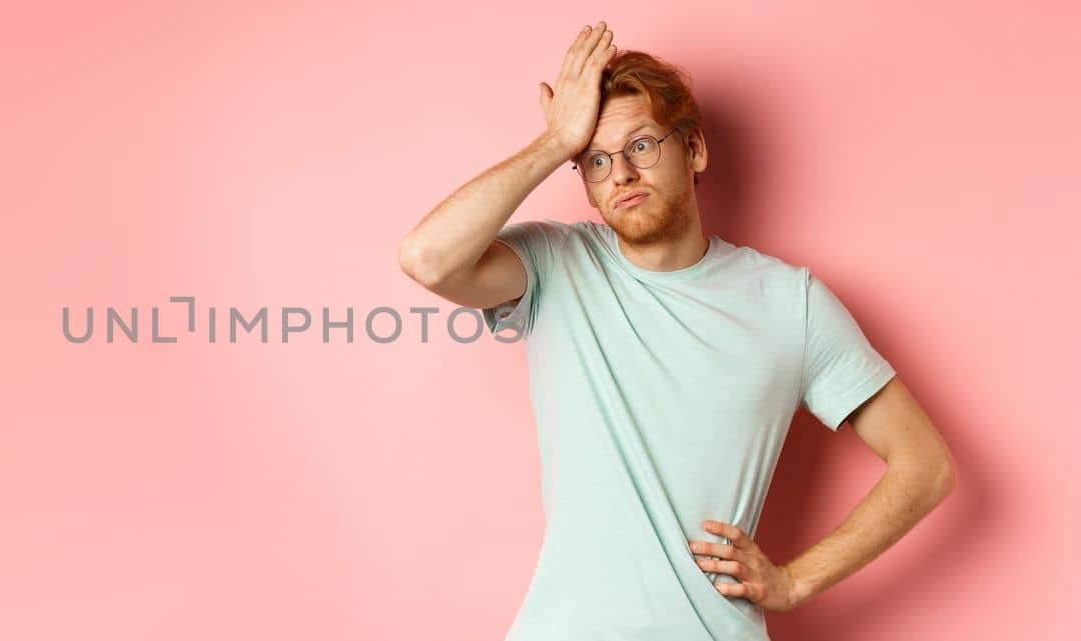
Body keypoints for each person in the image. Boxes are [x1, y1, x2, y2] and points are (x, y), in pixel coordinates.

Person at [396, 20, 957, 641]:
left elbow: (925, 466)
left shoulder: (788, 303)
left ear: (694, 150)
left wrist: (797, 581)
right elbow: (428, 258)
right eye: (597, 159)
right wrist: (556, 142)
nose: (620, 174)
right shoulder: (555, 265)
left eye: (641, 146)